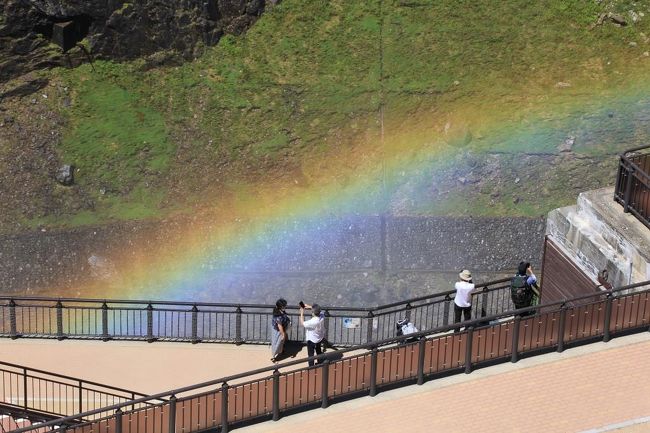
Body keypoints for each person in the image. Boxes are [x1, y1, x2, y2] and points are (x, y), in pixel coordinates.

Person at [299, 302, 325, 367]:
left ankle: (311, 367)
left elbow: (302, 323)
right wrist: (309, 306)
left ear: (313, 313)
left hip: (312, 339)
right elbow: (319, 311)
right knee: (318, 350)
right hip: (319, 337)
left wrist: (301, 313)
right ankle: (320, 362)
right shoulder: (322, 316)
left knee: (311, 354)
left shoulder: (313, 321)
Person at [270, 298, 290, 362]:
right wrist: (283, 333)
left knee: (281, 341)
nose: (285, 307)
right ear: (280, 307)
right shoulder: (278, 315)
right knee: (277, 342)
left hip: (281, 328)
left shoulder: (280, 311)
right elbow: (279, 325)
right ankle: (274, 356)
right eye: (284, 306)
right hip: (278, 330)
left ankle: (280, 350)